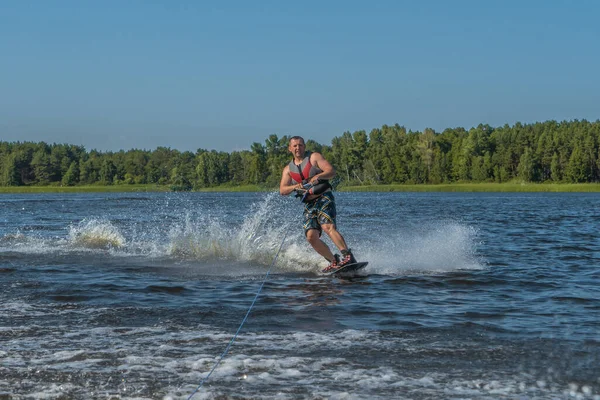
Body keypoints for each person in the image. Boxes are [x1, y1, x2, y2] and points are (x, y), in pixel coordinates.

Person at [279, 136, 357, 272]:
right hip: (309, 204)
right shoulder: (288, 170)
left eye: (300, 145)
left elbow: (331, 171)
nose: (298, 148)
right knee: (311, 236)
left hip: (323, 197)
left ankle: (348, 256)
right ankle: (334, 261)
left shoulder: (314, 157)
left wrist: (318, 176)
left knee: (327, 226)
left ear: (304, 146)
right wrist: (297, 186)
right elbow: (283, 190)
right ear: (290, 148)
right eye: (295, 146)